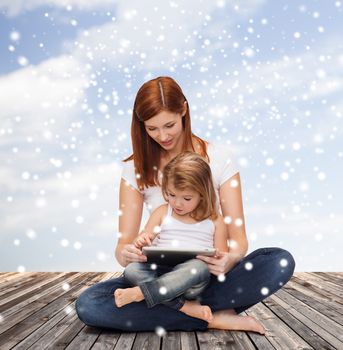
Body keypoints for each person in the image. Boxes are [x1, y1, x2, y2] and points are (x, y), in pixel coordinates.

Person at [76, 76, 295, 332]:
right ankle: (211, 316)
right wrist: (128, 252)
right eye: (152, 128)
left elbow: (238, 240)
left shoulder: (220, 159)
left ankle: (167, 307)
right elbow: (123, 248)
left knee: (278, 261)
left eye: (169, 124)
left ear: (184, 109)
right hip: (154, 273)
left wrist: (229, 258)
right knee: (89, 305)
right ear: (141, 125)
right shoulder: (132, 169)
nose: (163, 135)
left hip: (205, 274)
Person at [114, 151, 265, 333]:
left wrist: (221, 259)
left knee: (198, 267)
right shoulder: (162, 213)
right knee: (132, 270)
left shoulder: (215, 221)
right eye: (171, 194)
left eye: (186, 198)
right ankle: (184, 307)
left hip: (192, 281)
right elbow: (144, 239)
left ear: (202, 194)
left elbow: (220, 260)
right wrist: (141, 241)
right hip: (161, 275)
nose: (177, 203)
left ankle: (141, 294)